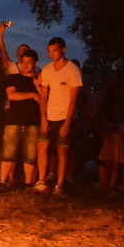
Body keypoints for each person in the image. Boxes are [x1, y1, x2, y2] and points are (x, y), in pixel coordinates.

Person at [36, 37, 82, 195]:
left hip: (63, 117)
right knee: (42, 146)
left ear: (63, 49)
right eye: (49, 51)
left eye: (54, 50)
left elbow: (74, 99)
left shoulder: (72, 70)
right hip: (49, 115)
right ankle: (42, 181)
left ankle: (59, 184)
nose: (51, 54)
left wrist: (67, 123)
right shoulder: (47, 70)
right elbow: (43, 96)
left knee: (62, 151)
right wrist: (43, 118)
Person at [0, 49, 41, 191]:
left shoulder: (39, 80)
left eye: (29, 62)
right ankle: (2, 182)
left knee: (30, 153)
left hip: (33, 120)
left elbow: (44, 100)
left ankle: (28, 183)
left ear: (35, 63)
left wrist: (38, 90)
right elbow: (12, 95)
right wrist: (32, 94)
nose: (26, 65)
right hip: (13, 120)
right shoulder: (13, 78)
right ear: (20, 63)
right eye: (24, 62)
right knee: (8, 152)